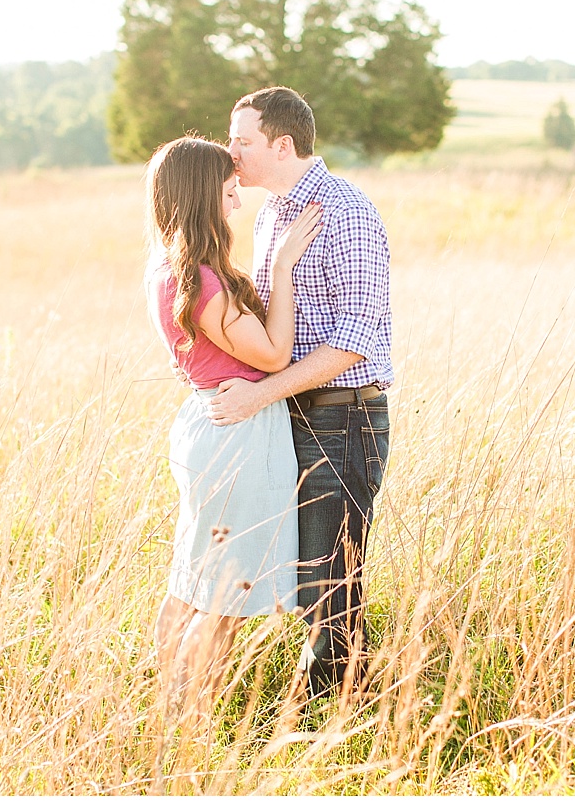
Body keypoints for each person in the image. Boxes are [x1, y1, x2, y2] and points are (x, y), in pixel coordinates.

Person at [209, 86, 394, 702]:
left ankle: (334, 727)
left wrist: (258, 397)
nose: (230, 152)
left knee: (329, 586)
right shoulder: (271, 214)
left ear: (282, 145)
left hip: (342, 421)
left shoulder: (345, 210)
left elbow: (356, 340)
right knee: (286, 577)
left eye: (243, 141)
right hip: (287, 416)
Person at [144, 136, 322, 725]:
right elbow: (272, 355)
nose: (237, 205)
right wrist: (283, 269)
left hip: (209, 422)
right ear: (201, 197)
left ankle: (165, 710)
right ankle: (191, 722)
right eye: (227, 193)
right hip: (236, 435)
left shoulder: (166, 270)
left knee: (191, 583)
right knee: (223, 599)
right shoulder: (202, 280)